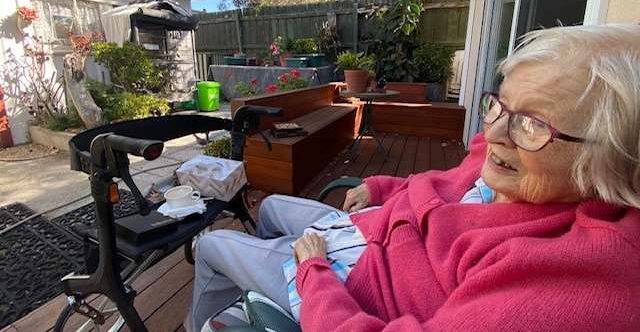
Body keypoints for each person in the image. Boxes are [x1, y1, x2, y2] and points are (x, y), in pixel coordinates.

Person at [186, 23, 640, 332]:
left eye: (534, 122)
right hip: (370, 227)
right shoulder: (510, 161)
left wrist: (313, 275)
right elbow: (445, 184)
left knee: (209, 246)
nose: (493, 132)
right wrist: (382, 186)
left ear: (614, 160)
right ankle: (258, 283)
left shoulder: (572, 276)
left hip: (351, 283)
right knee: (269, 205)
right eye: (499, 105)